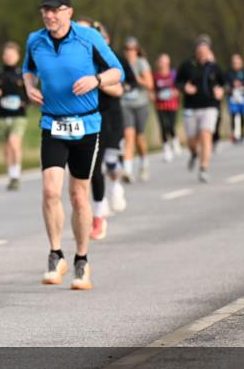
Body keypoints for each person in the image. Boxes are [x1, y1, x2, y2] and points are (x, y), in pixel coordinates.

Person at [22, 0, 123, 289]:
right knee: (50, 190)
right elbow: (27, 69)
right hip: (52, 123)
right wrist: (28, 87)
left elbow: (117, 71)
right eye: (45, 11)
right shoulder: (34, 40)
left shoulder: (88, 37)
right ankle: (55, 254)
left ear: (69, 12)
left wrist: (97, 80)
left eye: (55, 11)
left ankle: (82, 260)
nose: (49, 16)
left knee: (78, 195)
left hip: (86, 126)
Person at [76, 18, 129, 241]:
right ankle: (97, 207)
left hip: (107, 117)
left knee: (103, 164)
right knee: (84, 171)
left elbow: (119, 89)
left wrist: (96, 82)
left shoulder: (105, 57)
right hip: (80, 117)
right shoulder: (70, 58)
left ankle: (101, 210)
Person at [176, 35, 225, 182]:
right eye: (200, 49)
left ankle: (203, 168)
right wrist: (184, 87)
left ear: (209, 50)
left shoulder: (214, 67)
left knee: (206, 135)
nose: (202, 52)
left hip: (210, 106)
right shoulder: (187, 65)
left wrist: (221, 90)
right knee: (191, 141)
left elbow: (224, 83)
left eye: (205, 49)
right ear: (196, 50)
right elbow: (177, 82)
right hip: (191, 107)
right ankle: (193, 153)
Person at [0, 41, 30, 191]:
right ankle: (11, 175)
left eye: (12, 54)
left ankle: (16, 175)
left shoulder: (23, 74)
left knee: (14, 143)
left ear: (18, 56)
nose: (9, 57)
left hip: (18, 116)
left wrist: (23, 102)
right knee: (6, 148)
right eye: (7, 54)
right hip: (1, 117)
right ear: (3, 56)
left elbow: (30, 94)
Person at [120, 36, 153, 182]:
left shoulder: (142, 63)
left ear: (137, 50)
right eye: (127, 49)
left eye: (133, 49)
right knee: (129, 135)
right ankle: (127, 170)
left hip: (141, 104)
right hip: (125, 104)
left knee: (139, 137)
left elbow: (150, 84)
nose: (130, 52)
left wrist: (136, 79)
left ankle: (144, 161)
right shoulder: (121, 64)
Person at [152, 53, 181, 162]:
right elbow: (152, 90)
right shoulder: (155, 76)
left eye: (166, 62)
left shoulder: (173, 74)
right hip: (160, 105)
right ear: (158, 63)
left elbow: (179, 87)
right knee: (163, 126)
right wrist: (153, 95)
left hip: (172, 104)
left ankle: (174, 139)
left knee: (171, 125)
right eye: (162, 62)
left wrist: (175, 92)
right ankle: (166, 149)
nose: (164, 64)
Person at [226, 53, 244, 144]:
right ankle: (235, 134)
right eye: (234, 63)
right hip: (233, 98)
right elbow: (225, 85)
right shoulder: (228, 73)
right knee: (233, 116)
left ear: (241, 63)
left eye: (238, 62)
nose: (236, 64)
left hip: (243, 98)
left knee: (242, 116)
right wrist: (230, 87)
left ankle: (242, 134)